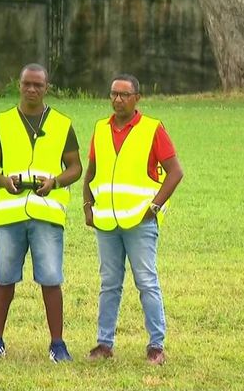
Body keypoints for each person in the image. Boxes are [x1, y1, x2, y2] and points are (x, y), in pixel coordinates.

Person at [0, 63, 82, 362]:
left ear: (46, 87)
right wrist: (3, 181)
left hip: (47, 213)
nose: (32, 90)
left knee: (51, 278)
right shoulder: (3, 121)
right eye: (27, 84)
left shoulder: (62, 123)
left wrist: (56, 182)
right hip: (10, 214)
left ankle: (58, 344)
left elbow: (75, 167)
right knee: (4, 277)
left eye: (38, 85)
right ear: (19, 85)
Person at [82, 73, 183, 365]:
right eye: (114, 94)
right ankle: (104, 343)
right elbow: (91, 174)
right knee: (109, 283)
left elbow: (175, 172)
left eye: (124, 94)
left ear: (137, 98)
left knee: (146, 282)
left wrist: (154, 207)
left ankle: (156, 345)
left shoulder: (152, 129)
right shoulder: (101, 129)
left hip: (140, 223)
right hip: (106, 223)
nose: (118, 99)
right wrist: (87, 205)